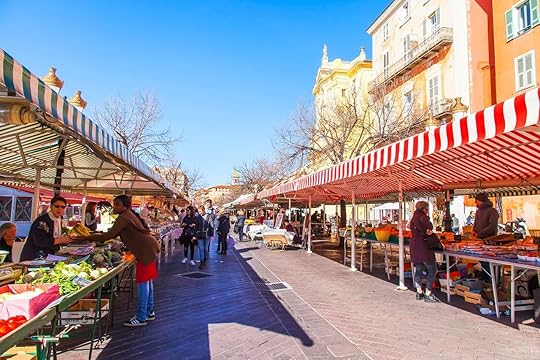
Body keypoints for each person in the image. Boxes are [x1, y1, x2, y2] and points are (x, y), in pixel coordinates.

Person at [74, 195, 160, 327]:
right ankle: (149, 311)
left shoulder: (124, 217)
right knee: (147, 282)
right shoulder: (129, 214)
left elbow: (109, 235)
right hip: (148, 248)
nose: (114, 207)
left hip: (144, 251)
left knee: (143, 283)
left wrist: (86, 237)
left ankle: (142, 317)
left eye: (117, 205)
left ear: (124, 206)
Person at [20, 196, 72, 261]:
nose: (60, 209)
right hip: (33, 258)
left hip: (48, 257)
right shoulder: (42, 221)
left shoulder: (59, 220)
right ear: (51, 206)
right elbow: (39, 241)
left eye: (63, 207)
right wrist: (60, 240)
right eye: (57, 206)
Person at [409, 201, 439, 303]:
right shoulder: (423, 217)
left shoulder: (413, 218)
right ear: (424, 209)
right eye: (427, 209)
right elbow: (430, 227)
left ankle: (419, 292)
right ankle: (428, 293)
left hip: (414, 245)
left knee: (419, 269)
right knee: (432, 269)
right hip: (423, 246)